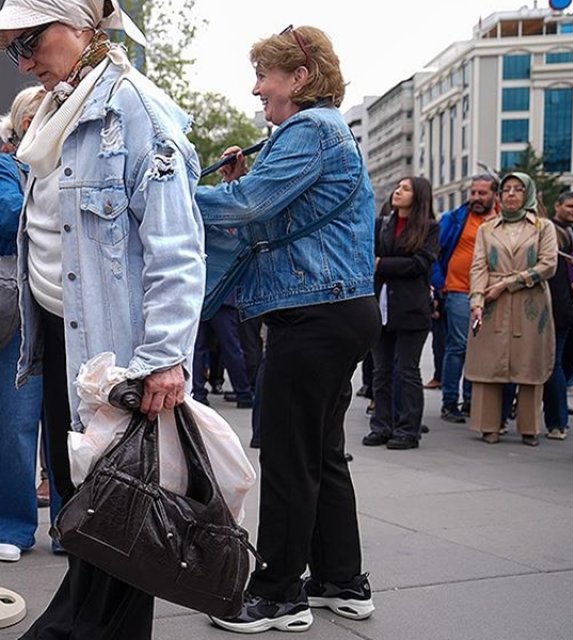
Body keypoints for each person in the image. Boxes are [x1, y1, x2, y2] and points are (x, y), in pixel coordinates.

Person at [0, 0, 203, 636]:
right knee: (85, 503)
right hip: (61, 337)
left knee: (120, 511)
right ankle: (75, 623)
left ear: (80, 27)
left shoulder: (134, 110)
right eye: (14, 46)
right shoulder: (55, 112)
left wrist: (164, 356)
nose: (22, 59)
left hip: (114, 350)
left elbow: (176, 246)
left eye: (31, 39)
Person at [194, 25, 380, 633]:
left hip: (315, 313)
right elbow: (266, 205)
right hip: (336, 309)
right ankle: (339, 582)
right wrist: (243, 181)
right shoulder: (323, 133)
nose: (256, 90)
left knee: (286, 451)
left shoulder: (310, 130)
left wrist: (173, 194)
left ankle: (278, 595)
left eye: (265, 77)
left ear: (299, 78)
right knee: (321, 452)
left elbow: (249, 208)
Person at [0, 85, 50, 563]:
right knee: (16, 421)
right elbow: (3, 214)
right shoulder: (5, 166)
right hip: (16, 311)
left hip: (65, 308)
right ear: (22, 124)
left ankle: (71, 523)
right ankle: (10, 523)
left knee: (70, 422)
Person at [466, 172, 558, 446]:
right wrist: (477, 301)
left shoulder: (543, 227)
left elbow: (548, 265)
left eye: (518, 189)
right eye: (506, 189)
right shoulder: (487, 228)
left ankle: (529, 428)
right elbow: (479, 266)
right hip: (492, 302)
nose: (511, 194)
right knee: (488, 363)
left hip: (530, 301)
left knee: (530, 363)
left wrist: (507, 283)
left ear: (528, 193)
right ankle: (488, 426)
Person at [363, 176, 439, 451]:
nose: (398, 191)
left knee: (407, 370)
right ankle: (381, 426)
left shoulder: (429, 228)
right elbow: (365, 257)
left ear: (418, 196)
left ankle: (408, 429)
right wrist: (381, 263)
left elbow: (419, 264)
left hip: (412, 310)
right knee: (381, 372)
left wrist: (381, 263)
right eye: (398, 187)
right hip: (380, 308)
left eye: (406, 189)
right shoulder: (381, 225)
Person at [433, 174, 501, 423]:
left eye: (482, 193)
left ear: (495, 195)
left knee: (481, 348)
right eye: (473, 192)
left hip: (492, 292)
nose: (476, 198)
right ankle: (450, 402)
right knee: (460, 346)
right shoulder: (455, 218)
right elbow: (435, 252)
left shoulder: (501, 221)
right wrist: (441, 284)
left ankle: (473, 400)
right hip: (459, 290)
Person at [546, 191, 573, 440]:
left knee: (564, 364)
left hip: (567, 310)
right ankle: (557, 421)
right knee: (553, 363)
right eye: (569, 206)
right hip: (559, 308)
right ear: (557, 206)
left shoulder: (571, 232)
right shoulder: (552, 232)